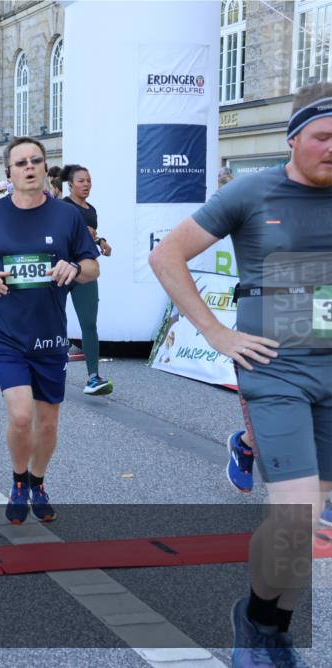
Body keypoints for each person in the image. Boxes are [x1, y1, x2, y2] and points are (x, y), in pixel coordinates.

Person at [149, 82, 331, 667]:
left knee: (303, 529)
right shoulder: (252, 191)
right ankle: (253, 620)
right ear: (294, 138)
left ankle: (273, 627)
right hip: (276, 370)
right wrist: (215, 333)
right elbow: (166, 256)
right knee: (298, 519)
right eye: (325, 137)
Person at [0, 136, 99, 525]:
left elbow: (92, 268)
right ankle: (19, 481)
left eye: (36, 160)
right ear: (9, 172)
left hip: (50, 334)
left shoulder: (68, 216)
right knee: (21, 417)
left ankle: (38, 480)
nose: (30, 167)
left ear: (44, 166)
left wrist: (74, 268)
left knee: (48, 421)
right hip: (4, 333)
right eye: (21, 162)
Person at [62, 164, 113, 395]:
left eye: (89, 181)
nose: (86, 185)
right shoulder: (62, 207)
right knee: (52, 322)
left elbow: (88, 235)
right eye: (81, 181)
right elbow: (62, 234)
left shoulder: (91, 209)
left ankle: (93, 377)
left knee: (89, 324)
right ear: (70, 184)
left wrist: (100, 241)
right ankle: (47, 369)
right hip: (61, 269)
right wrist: (86, 232)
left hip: (84, 271)